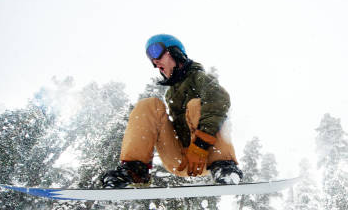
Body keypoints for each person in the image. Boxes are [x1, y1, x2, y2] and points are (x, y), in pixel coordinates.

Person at [100, 34, 243, 188]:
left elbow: (219, 99)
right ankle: (134, 169)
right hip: (182, 160)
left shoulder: (198, 77)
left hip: (208, 156)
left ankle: (225, 167)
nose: (154, 61)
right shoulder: (171, 93)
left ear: (175, 52)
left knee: (197, 105)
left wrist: (200, 145)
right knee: (149, 105)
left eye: (155, 52)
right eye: (150, 58)